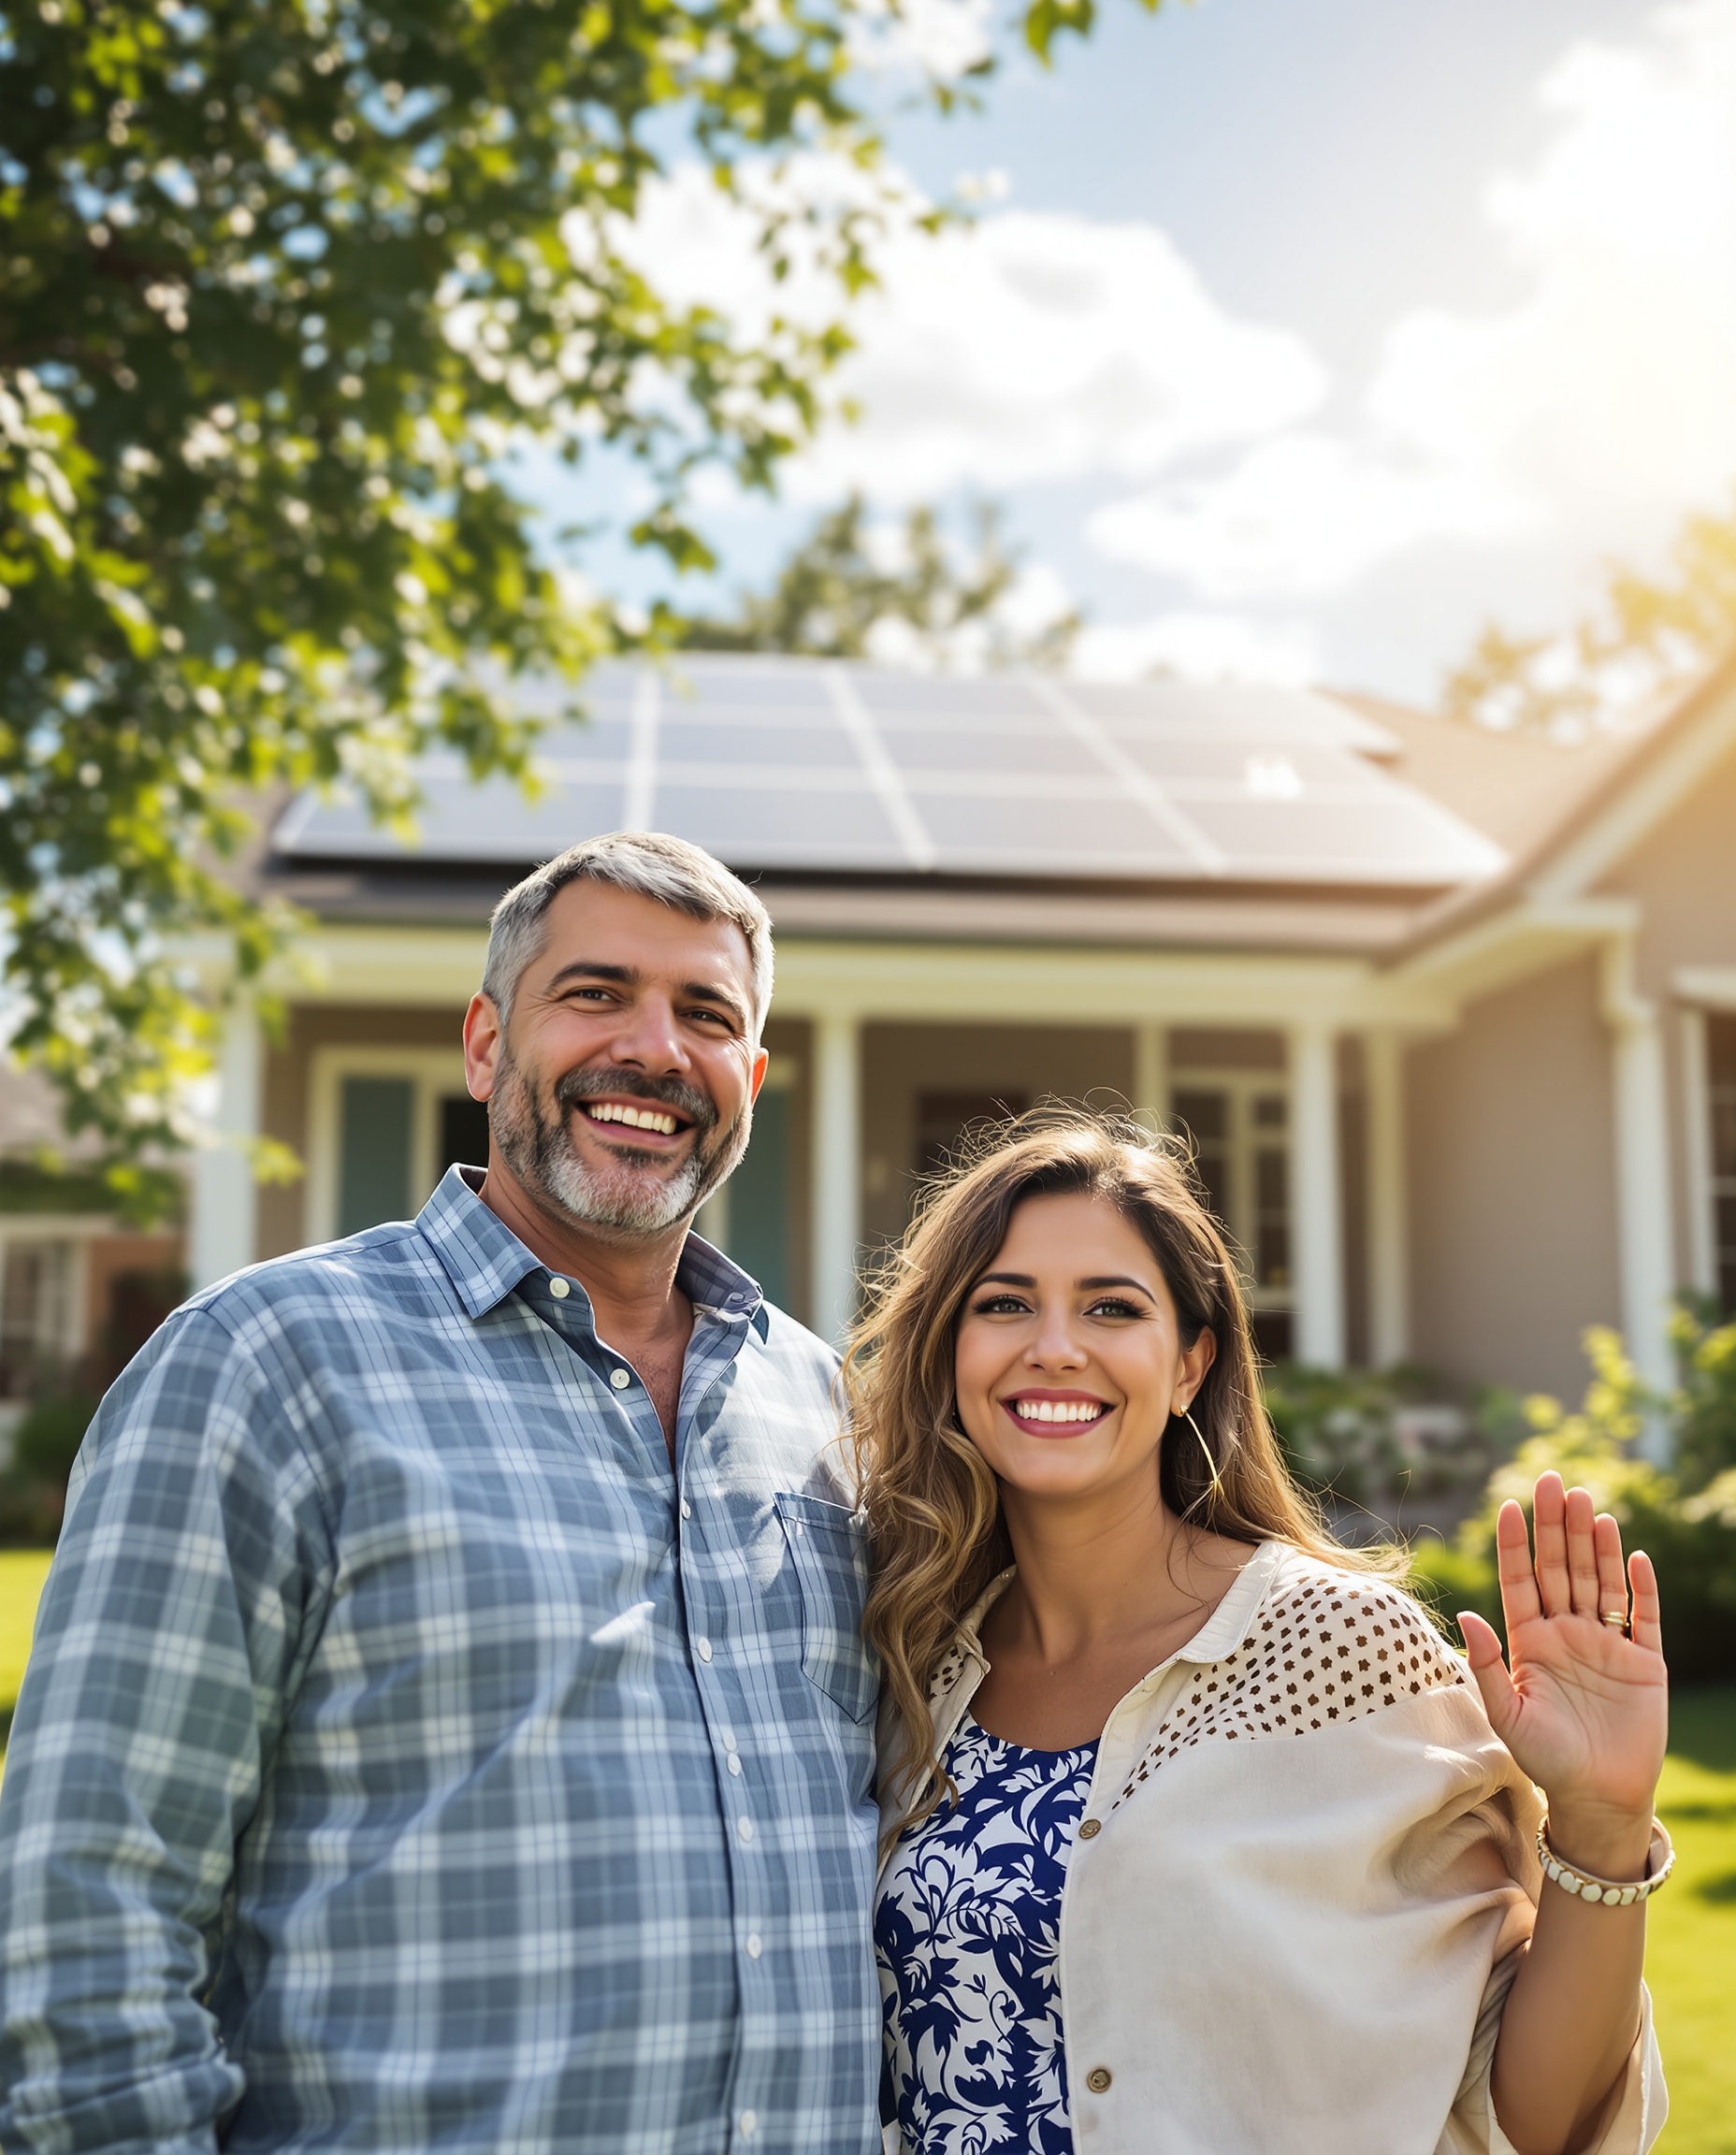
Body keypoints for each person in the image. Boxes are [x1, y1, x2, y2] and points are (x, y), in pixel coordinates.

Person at [0, 832, 881, 2155]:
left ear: (749, 1082)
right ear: (484, 1046)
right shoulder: (266, 1360)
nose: (654, 1049)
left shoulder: (826, 1412)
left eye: (706, 1015)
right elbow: (88, 1898)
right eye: (594, 993)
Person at [849, 1111, 1670, 2155]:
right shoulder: (912, 1661)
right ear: (949, 1347)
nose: (1053, 1349)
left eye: (1111, 1308)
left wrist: (1600, 1824)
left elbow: (1538, 2122)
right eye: (1004, 1304)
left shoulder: (1337, 1650)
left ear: (1188, 1364)